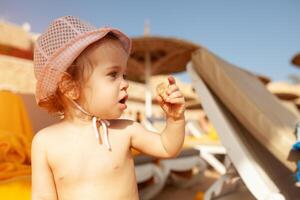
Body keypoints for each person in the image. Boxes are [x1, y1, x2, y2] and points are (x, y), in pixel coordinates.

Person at [31, 16, 186, 200]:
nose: (125, 84)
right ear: (70, 88)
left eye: (125, 75)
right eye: (113, 74)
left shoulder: (125, 130)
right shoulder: (45, 143)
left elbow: (167, 147)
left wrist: (175, 120)